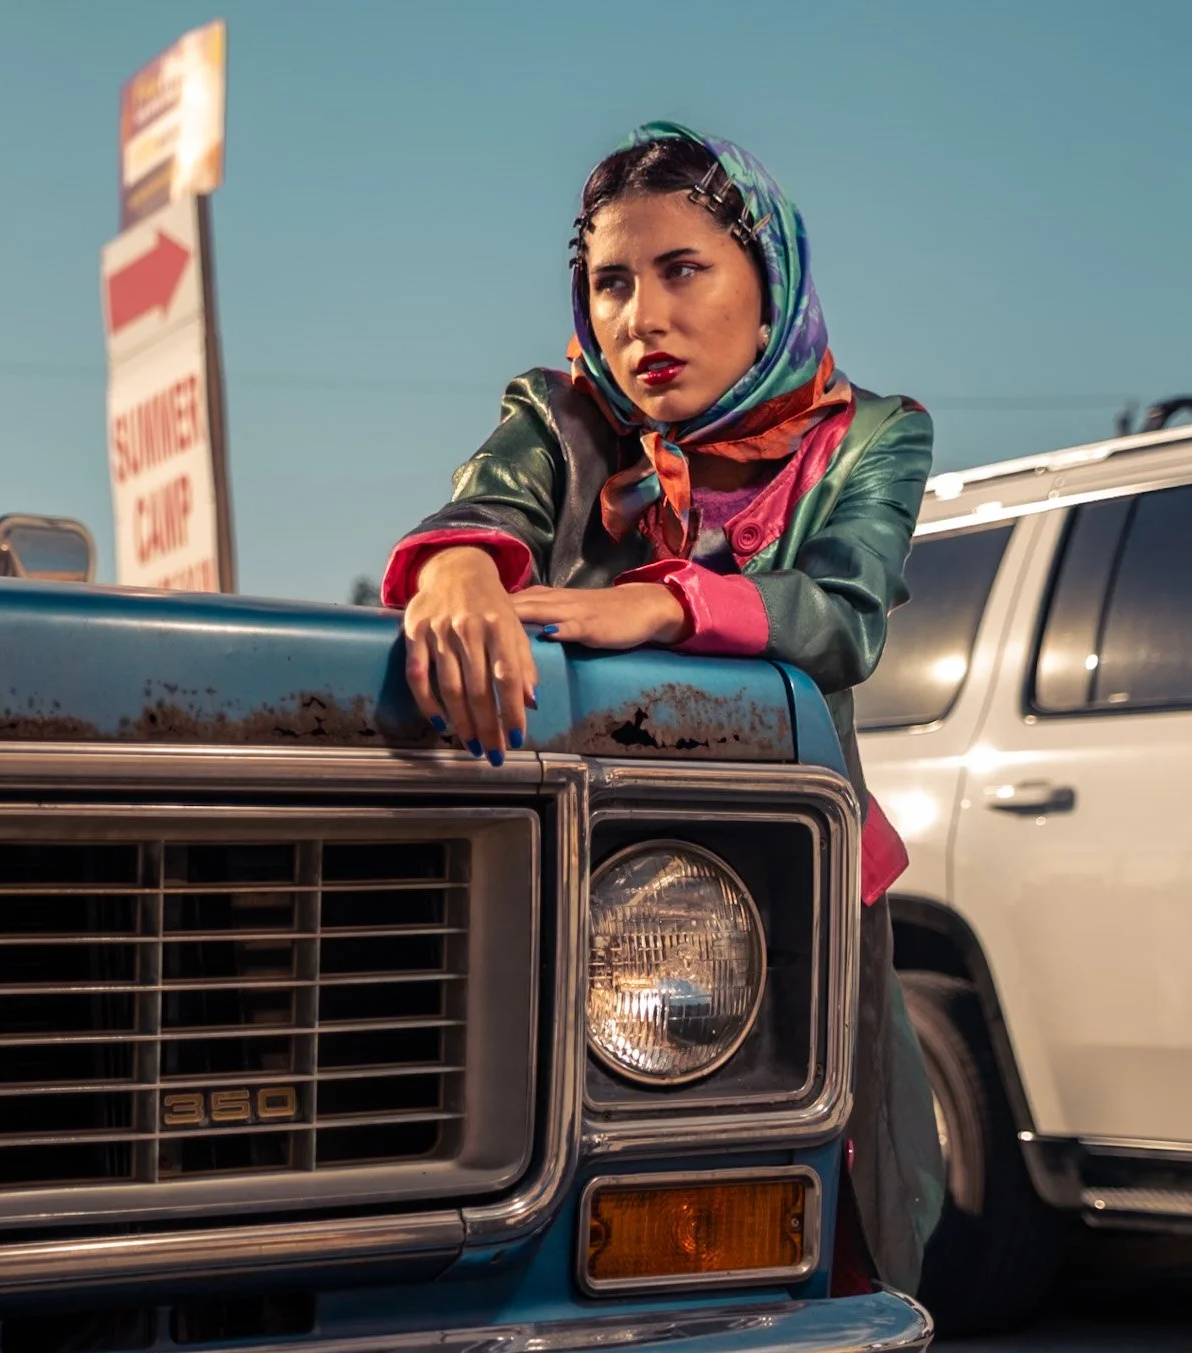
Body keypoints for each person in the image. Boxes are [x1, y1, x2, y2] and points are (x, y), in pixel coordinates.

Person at [379, 122, 945, 1292]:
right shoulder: (560, 416)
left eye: (682, 269)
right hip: (577, 874)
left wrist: (662, 602)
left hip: (790, 879)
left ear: (766, 282)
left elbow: (841, 615)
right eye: (611, 282)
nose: (641, 318)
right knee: (545, 1188)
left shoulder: (871, 436)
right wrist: (458, 569)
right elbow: (488, 505)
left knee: (816, 1197)